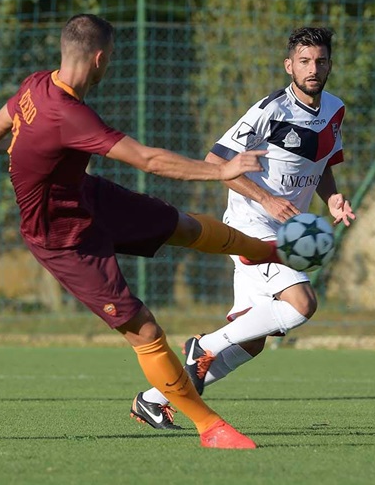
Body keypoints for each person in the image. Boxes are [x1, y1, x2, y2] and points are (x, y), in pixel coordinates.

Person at [0, 14, 286, 448]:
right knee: (145, 331)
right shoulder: (68, 114)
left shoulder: (37, 83)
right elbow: (148, 160)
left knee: (179, 225)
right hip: (64, 241)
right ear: (100, 58)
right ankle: (210, 428)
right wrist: (223, 169)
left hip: (87, 198)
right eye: (112, 59)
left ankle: (261, 250)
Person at [132, 26, 355, 417]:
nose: (312, 69)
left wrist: (333, 198)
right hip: (250, 225)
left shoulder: (335, 109)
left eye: (320, 61)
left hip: (284, 228)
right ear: (289, 66)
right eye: (304, 61)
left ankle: (153, 400)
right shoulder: (271, 110)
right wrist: (267, 199)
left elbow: (322, 166)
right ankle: (205, 346)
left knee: (252, 340)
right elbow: (215, 164)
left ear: (330, 65)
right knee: (301, 303)